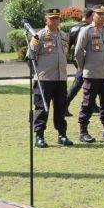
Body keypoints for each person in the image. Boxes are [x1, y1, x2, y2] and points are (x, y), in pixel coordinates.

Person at [75, 5, 104, 142]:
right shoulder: (86, 30)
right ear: (93, 15)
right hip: (92, 74)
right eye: (99, 14)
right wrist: (83, 67)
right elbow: (78, 52)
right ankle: (83, 131)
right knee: (88, 103)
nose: (102, 16)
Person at [29, 8, 74, 148]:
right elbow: (30, 58)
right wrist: (36, 74)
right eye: (52, 18)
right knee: (42, 108)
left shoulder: (64, 36)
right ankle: (39, 136)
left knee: (60, 108)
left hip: (60, 78)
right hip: (44, 79)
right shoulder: (38, 36)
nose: (55, 21)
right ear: (46, 20)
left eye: (57, 18)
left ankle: (62, 135)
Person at [65, 9, 95, 116]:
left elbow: (68, 46)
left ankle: (93, 105)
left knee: (92, 81)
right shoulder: (89, 28)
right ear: (91, 16)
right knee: (78, 83)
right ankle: (64, 105)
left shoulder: (73, 28)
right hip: (87, 58)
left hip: (77, 58)